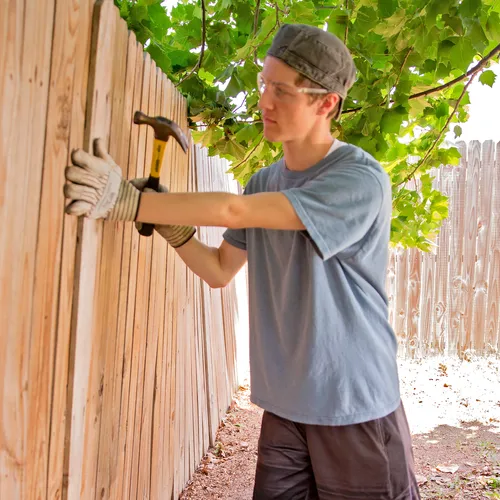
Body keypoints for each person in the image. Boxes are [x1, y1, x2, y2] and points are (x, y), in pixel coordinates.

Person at [63, 23, 420, 500]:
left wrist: (128, 202)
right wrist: (171, 227)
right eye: (263, 84)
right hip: (285, 405)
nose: (265, 102)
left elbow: (234, 211)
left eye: (282, 91)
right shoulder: (263, 182)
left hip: (351, 404)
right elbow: (217, 270)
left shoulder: (358, 179)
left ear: (326, 102)